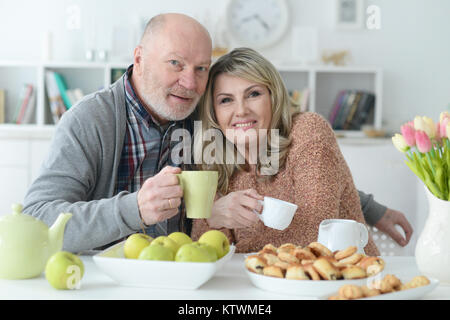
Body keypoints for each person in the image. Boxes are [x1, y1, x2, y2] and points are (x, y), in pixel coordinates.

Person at [23, 13, 410, 253]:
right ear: (138, 58)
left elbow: (300, 165)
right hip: (103, 279)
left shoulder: (202, 119)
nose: (189, 82)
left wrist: (372, 210)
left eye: (201, 68)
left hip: (184, 273)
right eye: (175, 63)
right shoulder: (91, 121)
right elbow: (38, 220)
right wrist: (134, 209)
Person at [190, 47, 380, 255]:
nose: (242, 110)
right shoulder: (216, 162)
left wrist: (239, 252)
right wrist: (212, 218)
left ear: (274, 97)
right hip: (262, 282)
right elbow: (205, 254)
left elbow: (315, 231)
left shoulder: (308, 131)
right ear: (214, 114)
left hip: (347, 278)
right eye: (226, 100)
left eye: (253, 94)